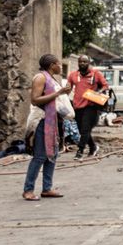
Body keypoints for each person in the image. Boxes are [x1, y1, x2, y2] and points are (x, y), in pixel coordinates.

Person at [23, 54, 72, 200]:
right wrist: (59, 93)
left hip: (52, 120)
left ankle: (47, 188)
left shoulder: (51, 78)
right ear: (52, 65)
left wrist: (64, 92)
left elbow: (55, 98)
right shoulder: (40, 78)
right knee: (39, 156)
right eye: (58, 64)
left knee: (53, 155)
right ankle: (28, 190)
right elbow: (35, 100)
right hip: (42, 120)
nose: (60, 67)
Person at [67, 55, 108, 159]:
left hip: (91, 106)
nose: (82, 64)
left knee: (85, 129)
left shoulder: (96, 74)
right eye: (80, 62)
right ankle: (93, 147)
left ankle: (80, 151)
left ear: (89, 63)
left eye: (85, 62)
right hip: (77, 106)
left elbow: (105, 86)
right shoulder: (73, 75)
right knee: (82, 130)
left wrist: (98, 92)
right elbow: (68, 88)